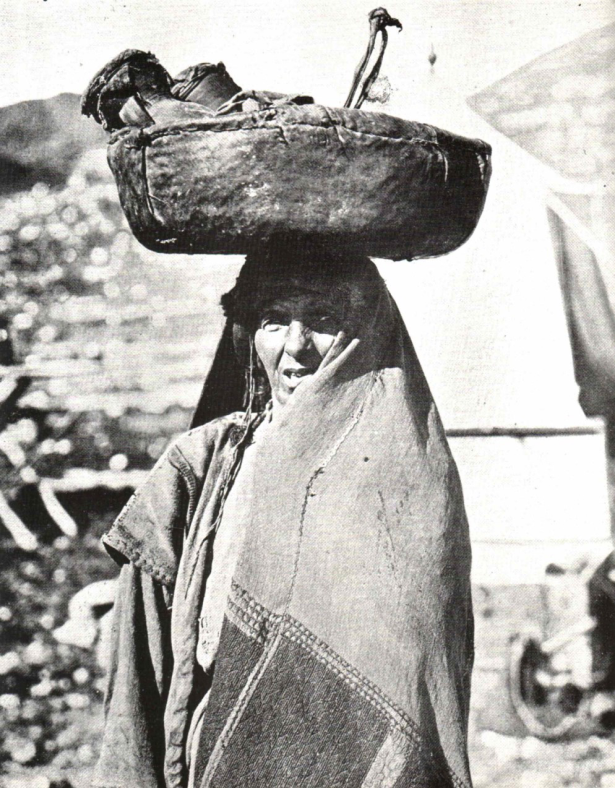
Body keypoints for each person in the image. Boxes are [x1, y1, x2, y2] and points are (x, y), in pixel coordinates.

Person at [94, 245, 474, 788]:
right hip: (216, 761)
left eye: (322, 319)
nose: (296, 347)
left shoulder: (409, 481)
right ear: (248, 336)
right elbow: (141, 662)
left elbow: (418, 683)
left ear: (367, 330)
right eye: (274, 320)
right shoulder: (202, 466)